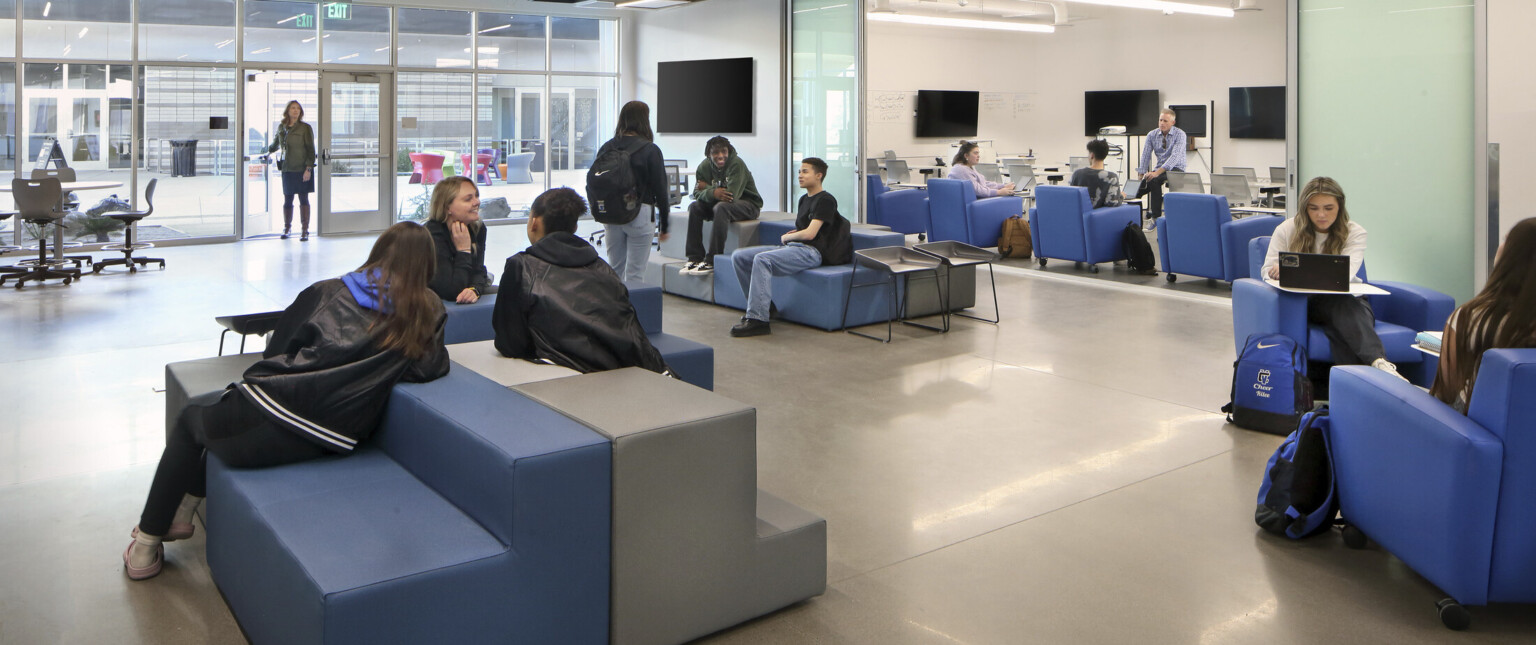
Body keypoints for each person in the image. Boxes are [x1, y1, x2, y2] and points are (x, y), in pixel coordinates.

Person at [124, 222, 450, 581]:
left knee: (192, 420)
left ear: (379, 252)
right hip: (333, 439)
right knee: (214, 414)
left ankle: (145, 544)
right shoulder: (429, 310)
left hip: (270, 414)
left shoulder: (330, 291)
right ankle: (182, 514)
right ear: (427, 266)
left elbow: (275, 351)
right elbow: (426, 369)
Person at [492, 187, 670, 375]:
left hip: (570, 378)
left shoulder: (521, 267)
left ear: (534, 222)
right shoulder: (602, 267)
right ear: (575, 228)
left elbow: (510, 344)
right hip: (625, 369)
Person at [1261, 176, 1403, 380]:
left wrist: (1293, 270)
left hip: (1351, 302)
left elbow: (1345, 276)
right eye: (1314, 208)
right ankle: (1377, 364)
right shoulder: (1286, 229)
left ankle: (1356, 379)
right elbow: (1266, 271)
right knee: (1341, 306)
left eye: (1328, 208)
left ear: (1340, 207)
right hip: (1306, 304)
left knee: (1341, 309)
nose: (1321, 215)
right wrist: (1276, 271)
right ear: (1304, 208)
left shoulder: (1354, 232)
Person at [729, 158, 852, 338]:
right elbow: (803, 229)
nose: (800, 175)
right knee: (740, 256)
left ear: (819, 176)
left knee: (762, 259)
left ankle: (758, 320)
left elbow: (810, 234)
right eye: (799, 171)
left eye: (805, 171)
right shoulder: (804, 200)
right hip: (796, 247)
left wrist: (788, 237)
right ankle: (766, 308)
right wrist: (794, 236)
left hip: (812, 252)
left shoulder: (826, 200)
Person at [1430, 217, 1536, 413]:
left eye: (1506, 239)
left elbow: (1446, 393)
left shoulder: (1470, 316)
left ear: (1512, 256)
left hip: (1481, 426)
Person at [593, 100, 670, 284]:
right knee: (636, 275)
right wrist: (665, 225)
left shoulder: (606, 147)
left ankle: (613, 311)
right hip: (641, 214)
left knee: (614, 272)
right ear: (645, 120)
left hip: (611, 215)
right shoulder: (650, 149)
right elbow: (661, 190)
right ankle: (632, 312)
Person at [681, 136, 763, 276]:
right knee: (695, 207)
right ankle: (694, 257)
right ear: (708, 154)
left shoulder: (736, 164)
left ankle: (712, 259)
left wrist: (708, 188)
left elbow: (731, 195)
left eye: (724, 152)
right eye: (715, 153)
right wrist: (714, 193)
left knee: (722, 207)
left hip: (749, 206)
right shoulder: (704, 167)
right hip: (719, 204)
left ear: (729, 151)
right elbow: (696, 193)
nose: (720, 156)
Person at [424, 176, 496, 304]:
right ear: (447, 207)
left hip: (464, 284)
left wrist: (475, 290)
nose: (477, 202)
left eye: (476, 196)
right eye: (468, 199)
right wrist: (463, 251)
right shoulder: (431, 234)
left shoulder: (477, 228)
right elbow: (450, 291)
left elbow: (479, 270)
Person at [266, 100, 317, 241]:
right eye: (293, 108)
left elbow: (311, 150)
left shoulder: (305, 128)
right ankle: (287, 228)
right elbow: (275, 144)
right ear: (287, 110)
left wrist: (309, 169)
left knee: (303, 199)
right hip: (287, 169)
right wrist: (265, 151)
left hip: (302, 169)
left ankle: (305, 230)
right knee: (288, 199)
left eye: (298, 109)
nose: (296, 111)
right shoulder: (282, 127)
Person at [1135, 108, 1186, 228]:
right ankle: (1135, 220)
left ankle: (1156, 217)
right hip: (1159, 168)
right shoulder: (1152, 134)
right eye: (1160, 120)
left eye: (1165, 121)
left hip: (1176, 168)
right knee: (1137, 191)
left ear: (1172, 122)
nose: (1162, 123)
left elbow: (1174, 158)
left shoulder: (1180, 134)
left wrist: (1156, 173)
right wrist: (1140, 176)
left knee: (1153, 179)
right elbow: (1146, 155)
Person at [946, 141, 1015, 197]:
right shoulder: (962, 170)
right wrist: (999, 192)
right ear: (966, 155)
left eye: (978, 153)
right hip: (973, 203)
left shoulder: (967, 167)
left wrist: (1003, 186)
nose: (978, 156)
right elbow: (978, 191)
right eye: (975, 153)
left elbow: (983, 184)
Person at [1069, 139, 1125, 209]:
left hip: (1077, 215)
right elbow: (1112, 203)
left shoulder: (1077, 174)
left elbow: (1070, 198)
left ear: (1092, 155)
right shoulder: (1111, 177)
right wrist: (1121, 196)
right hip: (1100, 218)